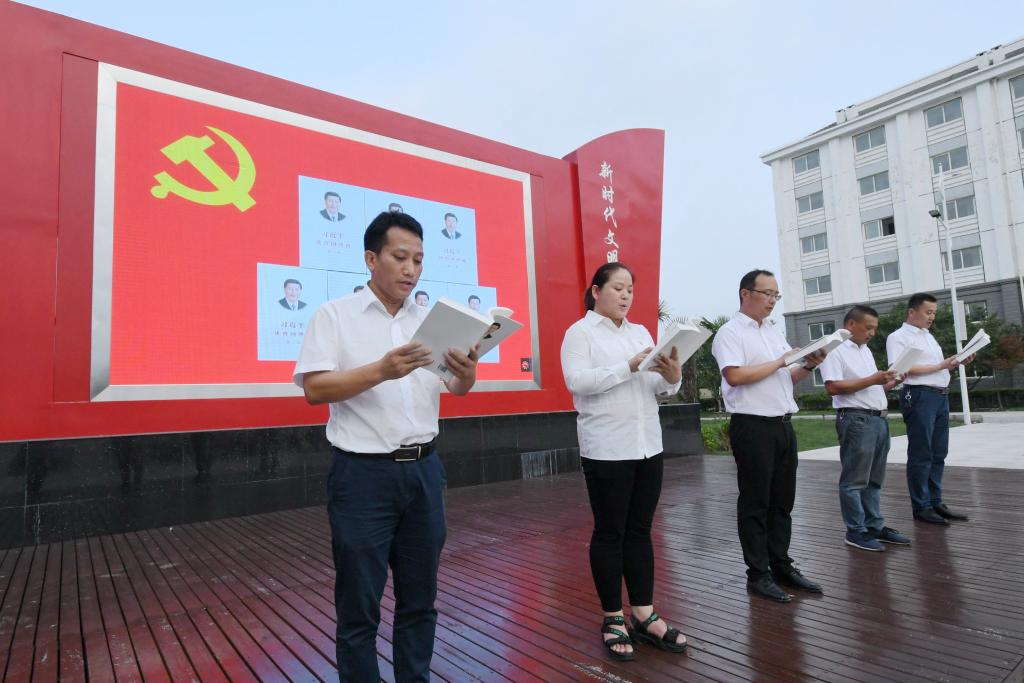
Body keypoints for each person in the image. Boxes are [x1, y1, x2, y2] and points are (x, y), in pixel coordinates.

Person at [294, 211, 479, 682]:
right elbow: (315, 388)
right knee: (359, 606)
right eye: (400, 257)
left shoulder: (430, 323)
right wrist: (382, 370)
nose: (411, 269)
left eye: (418, 259)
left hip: (424, 473)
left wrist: (467, 372)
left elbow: (455, 389)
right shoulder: (334, 316)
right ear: (371, 259)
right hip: (362, 477)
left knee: (420, 601)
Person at [560, 262, 686, 662]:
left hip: (647, 445)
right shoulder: (579, 333)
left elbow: (657, 387)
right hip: (607, 448)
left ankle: (644, 614)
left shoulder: (641, 332)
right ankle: (613, 617)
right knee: (610, 532)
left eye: (630, 288)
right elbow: (577, 382)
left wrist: (672, 375)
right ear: (596, 291)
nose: (626, 295)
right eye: (617, 287)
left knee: (640, 531)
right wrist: (628, 366)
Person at [711, 269, 827, 603]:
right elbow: (734, 375)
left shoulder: (773, 331)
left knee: (782, 501)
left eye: (776, 295)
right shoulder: (730, 333)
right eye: (767, 294)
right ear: (745, 294)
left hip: (782, 425)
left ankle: (781, 565)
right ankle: (758, 574)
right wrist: (781, 361)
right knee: (755, 502)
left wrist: (809, 364)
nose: (773, 301)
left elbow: (785, 376)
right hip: (752, 426)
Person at [819, 305, 910, 551]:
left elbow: (871, 387)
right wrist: (873, 379)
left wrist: (890, 382)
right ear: (851, 324)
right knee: (854, 480)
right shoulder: (835, 349)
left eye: (875, 329)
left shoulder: (865, 350)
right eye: (869, 328)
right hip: (856, 419)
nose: (872, 333)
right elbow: (833, 387)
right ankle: (856, 531)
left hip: (878, 419)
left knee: (874, 479)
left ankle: (873, 526)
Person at [886, 293, 972, 525]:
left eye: (934, 312)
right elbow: (900, 368)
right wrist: (942, 364)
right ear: (912, 312)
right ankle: (921, 506)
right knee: (921, 452)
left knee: (938, 452)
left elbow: (937, 368)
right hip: (919, 395)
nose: (932, 316)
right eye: (928, 312)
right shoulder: (898, 337)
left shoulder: (928, 336)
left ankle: (935, 501)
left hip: (940, 396)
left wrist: (955, 362)